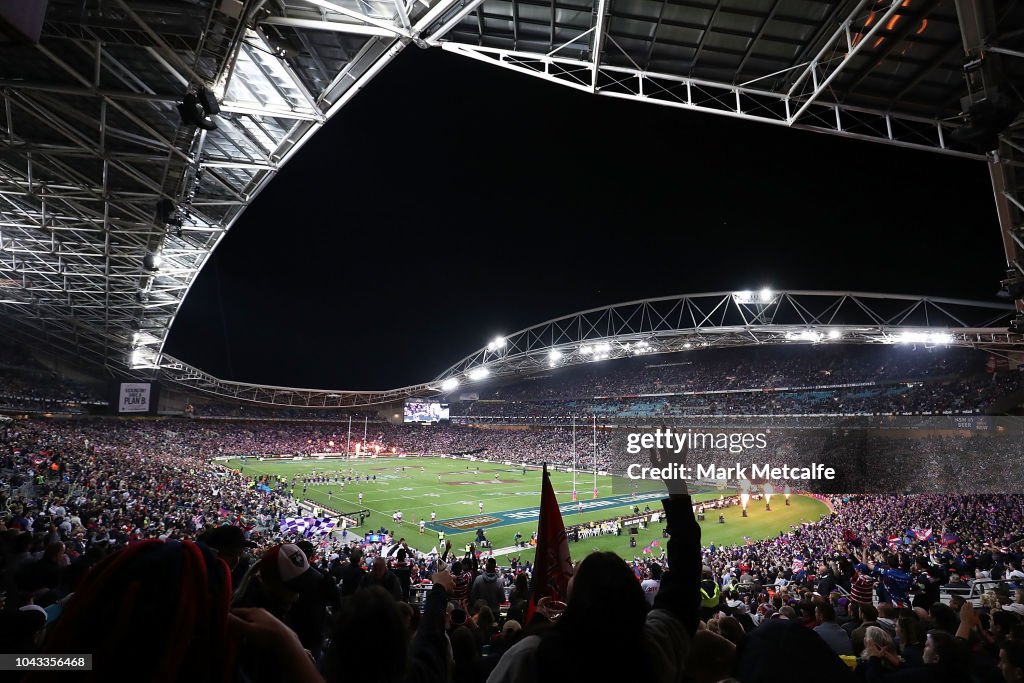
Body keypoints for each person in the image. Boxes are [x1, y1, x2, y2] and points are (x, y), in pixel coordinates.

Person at [487, 442, 701, 683]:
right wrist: (676, 485)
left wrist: (540, 625)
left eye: (577, 572)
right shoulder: (656, 647)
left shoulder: (531, 657)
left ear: (576, 598)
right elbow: (685, 580)